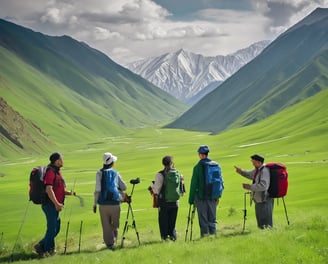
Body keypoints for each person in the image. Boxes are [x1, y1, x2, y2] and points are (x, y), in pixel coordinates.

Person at [34, 152, 74, 257]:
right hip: (50, 204)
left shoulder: (57, 172)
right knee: (52, 228)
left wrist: (68, 193)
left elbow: (58, 188)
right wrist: (56, 204)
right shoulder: (50, 172)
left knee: (56, 227)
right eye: (61, 159)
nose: (63, 161)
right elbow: (49, 189)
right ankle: (48, 251)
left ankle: (41, 245)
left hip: (54, 205)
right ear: (57, 161)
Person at [93, 152, 127, 250]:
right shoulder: (116, 173)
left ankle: (109, 244)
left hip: (103, 204)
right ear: (112, 163)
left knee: (105, 224)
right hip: (115, 202)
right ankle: (114, 239)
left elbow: (97, 190)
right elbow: (124, 187)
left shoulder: (99, 173)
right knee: (115, 224)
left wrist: (95, 204)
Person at [188, 145, 220, 237]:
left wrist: (191, 199)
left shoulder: (197, 167)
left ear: (200, 155)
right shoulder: (216, 165)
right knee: (212, 218)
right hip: (213, 196)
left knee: (203, 218)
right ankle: (213, 235)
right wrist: (218, 195)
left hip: (201, 196)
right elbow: (220, 181)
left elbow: (193, 184)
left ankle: (205, 236)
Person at [235, 154, 274, 229]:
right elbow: (250, 175)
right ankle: (262, 235)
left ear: (259, 162)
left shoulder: (264, 171)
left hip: (265, 199)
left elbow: (264, 186)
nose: (252, 163)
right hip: (259, 199)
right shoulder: (258, 170)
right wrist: (241, 172)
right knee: (260, 221)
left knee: (266, 222)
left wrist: (250, 187)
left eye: (254, 162)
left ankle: (267, 236)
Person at [152, 156, 184, 241]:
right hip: (175, 202)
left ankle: (165, 238)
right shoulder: (177, 173)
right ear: (172, 163)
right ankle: (173, 237)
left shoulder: (160, 174)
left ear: (163, 164)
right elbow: (181, 189)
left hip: (164, 202)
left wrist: (152, 187)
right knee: (172, 222)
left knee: (163, 222)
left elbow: (156, 190)